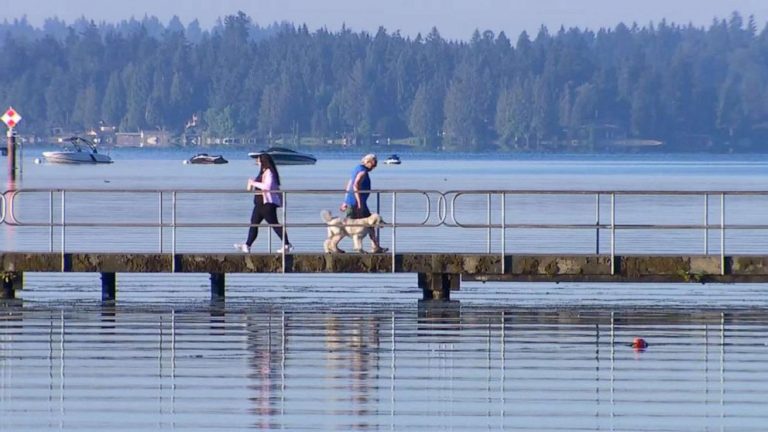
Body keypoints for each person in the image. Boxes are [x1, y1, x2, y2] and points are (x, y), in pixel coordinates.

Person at [234, 153, 293, 253]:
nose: (257, 162)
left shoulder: (269, 172)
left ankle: (287, 244)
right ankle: (247, 245)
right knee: (254, 223)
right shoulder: (263, 172)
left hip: (267, 204)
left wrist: (253, 183)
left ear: (263, 161)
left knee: (274, 224)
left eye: (258, 160)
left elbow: (267, 186)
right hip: (259, 204)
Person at [341, 153, 387, 253]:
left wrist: (345, 201)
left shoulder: (357, 168)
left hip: (357, 202)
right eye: (373, 165)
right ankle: (355, 247)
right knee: (348, 225)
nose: (373, 168)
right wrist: (359, 203)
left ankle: (375, 246)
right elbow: (355, 185)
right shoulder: (363, 171)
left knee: (370, 224)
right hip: (356, 203)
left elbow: (349, 183)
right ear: (368, 162)